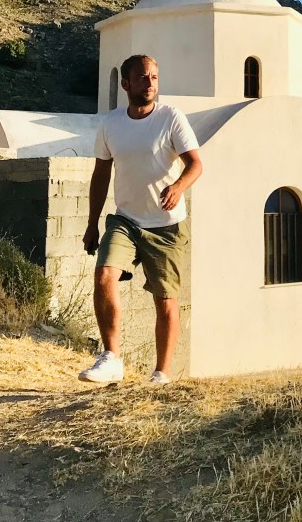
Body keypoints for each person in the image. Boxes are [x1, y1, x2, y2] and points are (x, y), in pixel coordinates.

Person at [79, 54, 203, 384]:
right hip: (126, 220)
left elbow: (195, 165)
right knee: (104, 274)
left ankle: (161, 373)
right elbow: (101, 173)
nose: (150, 83)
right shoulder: (111, 124)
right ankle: (111, 358)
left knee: (165, 301)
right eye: (143, 77)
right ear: (126, 84)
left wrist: (178, 186)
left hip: (167, 226)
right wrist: (92, 223)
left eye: (154, 77)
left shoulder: (171, 117)